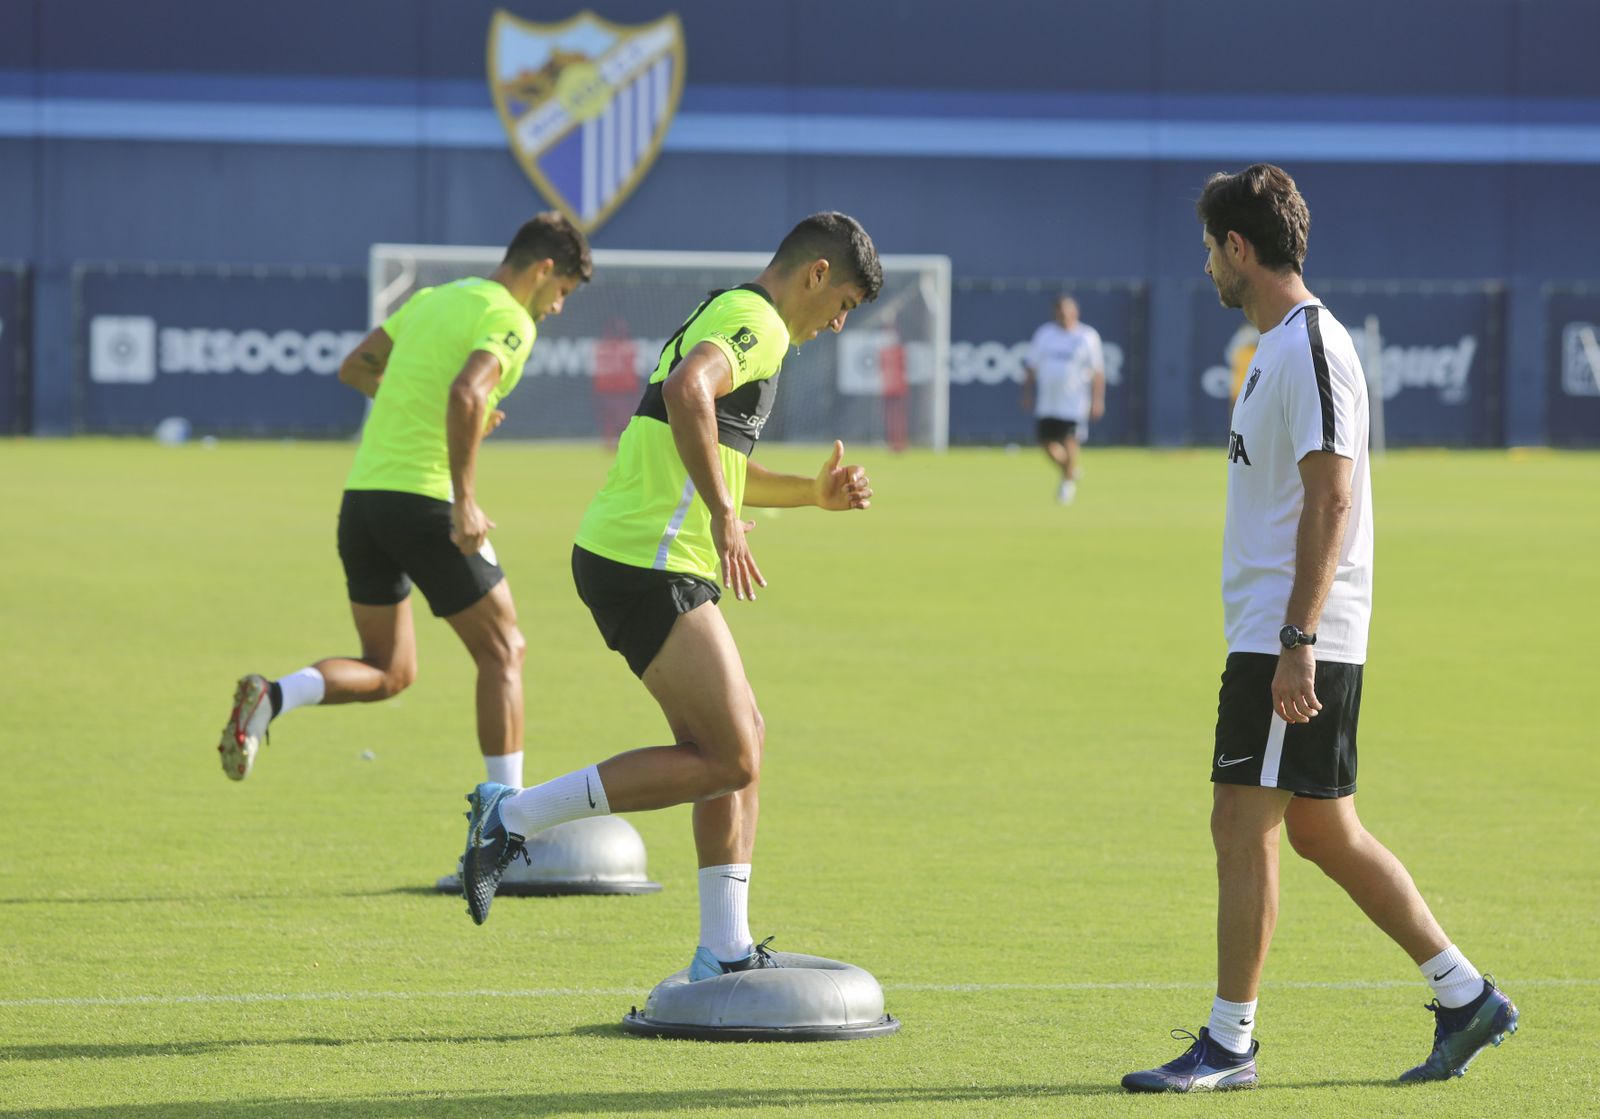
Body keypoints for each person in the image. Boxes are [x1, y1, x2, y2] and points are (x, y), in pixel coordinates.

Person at [1122, 165, 1517, 1092]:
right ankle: (1466, 996)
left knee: (1241, 821)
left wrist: (1297, 637)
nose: (1208, 268)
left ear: (1238, 248)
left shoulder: (1310, 345)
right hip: (1284, 630)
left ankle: (1229, 1044)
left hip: (1291, 635)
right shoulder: (1278, 350)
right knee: (1321, 830)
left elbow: (1333, 492)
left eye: (1210, 249)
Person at [458, 212, 881, 984]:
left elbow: (705, 442)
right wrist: (724, 515)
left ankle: (723, 947)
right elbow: (690, 390)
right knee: (731, 752)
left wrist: (809, 496)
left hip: (643, 553)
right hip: (645, 557)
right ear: (817, 275)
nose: (841, 321)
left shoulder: (735, 314)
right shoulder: (760, 320)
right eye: (846, 301)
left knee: (737, 742)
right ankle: (510, 817)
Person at [217, 213, 592, 793]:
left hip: (364, 505)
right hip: (426, 505)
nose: (558, 307)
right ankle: (505, 825)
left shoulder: (433, 300)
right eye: (562, 291)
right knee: (504, 651)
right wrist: (465, 500)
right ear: (543, 270)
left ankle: (273, 697)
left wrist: (440, 415)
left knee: (389, 670)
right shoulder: (511, 319)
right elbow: (467, 392)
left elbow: (357, 367)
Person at [1020, 295, 1104, 504]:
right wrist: (1027, 393)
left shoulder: (1086, 336)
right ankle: (1071, 470)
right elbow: (1031, 366)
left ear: (1075, 312)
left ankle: (1067, 484)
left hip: (1073, 402)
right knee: (1046, 442)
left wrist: (1098, 400)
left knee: (1069, 441)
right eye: (1059, 311)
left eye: (1066, 311)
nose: (1063, 315)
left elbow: (1098, 371)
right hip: (1048, 401)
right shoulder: (1045, 334)